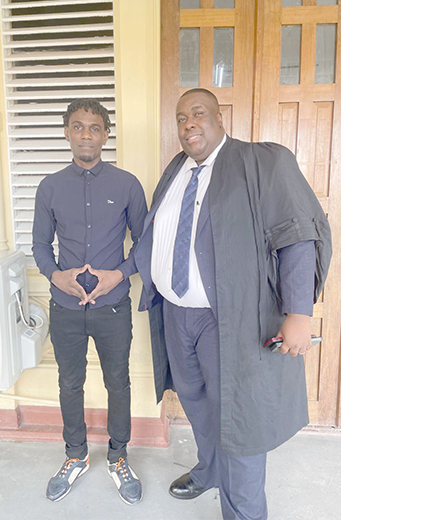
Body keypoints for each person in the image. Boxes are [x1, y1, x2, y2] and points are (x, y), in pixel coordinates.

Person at [132, 88, 332, 520]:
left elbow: (297, 235)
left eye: (198, 113)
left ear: (220, 119)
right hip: (176, 314)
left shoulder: (262, 161)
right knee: (197, 402)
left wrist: (299, 312)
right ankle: (209, 471)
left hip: (233, 320)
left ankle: (243, 512)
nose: (188, 123)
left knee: (239, 419)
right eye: (182, 116)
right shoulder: (177, 171)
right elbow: (158, 237)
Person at [32, 98, 147, 505]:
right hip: (65, 307)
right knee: (69, 381)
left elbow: (144, 243)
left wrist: (119, 273)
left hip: (113, 305)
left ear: (105, 135)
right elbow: (40, 245)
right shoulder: (49, 187)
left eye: (94, 127)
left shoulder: (127, 184)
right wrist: (55, 274)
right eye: (78, 126)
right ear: (66, 132)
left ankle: (118, 457)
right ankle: (75, 455)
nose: (86, 134)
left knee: (118, 381)